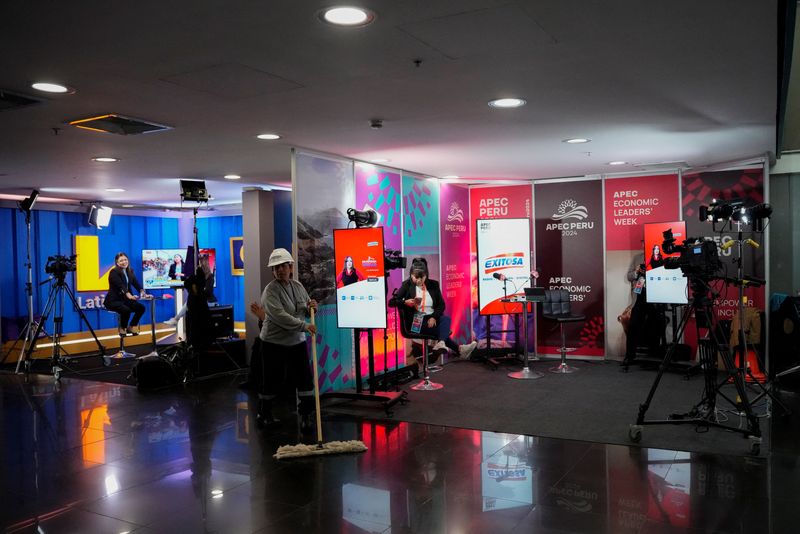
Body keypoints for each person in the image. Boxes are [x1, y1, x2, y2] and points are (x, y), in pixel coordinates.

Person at [248, 248, 317, 430]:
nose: (280, 270)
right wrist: (305, 326)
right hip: (273, 343)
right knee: (271, 379)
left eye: (283, 266)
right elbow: (280, 316)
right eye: (276, 267)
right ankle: (264, 414)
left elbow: (305, 308)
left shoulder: (298, 287)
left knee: (304, 379)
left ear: (290, 267)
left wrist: (312, 307)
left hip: (297, 342)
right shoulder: (270, 291)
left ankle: (306, 416)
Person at [395, 258, 477, 362]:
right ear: (411, 273)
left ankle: (444, 344)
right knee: (443, 330)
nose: (419, 280)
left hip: (431, 318)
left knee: (445, 319)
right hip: (416, 321)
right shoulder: (407, 285)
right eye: (416, 276)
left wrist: (433, 317)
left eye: (422, 276)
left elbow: (441, 305)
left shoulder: (433, 284)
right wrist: (405, 302)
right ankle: (459, 349)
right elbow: (393, 302)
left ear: (426, 273)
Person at [165, 255, 217, 326]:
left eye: (200, 265)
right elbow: (191, 287)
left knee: (191, 300)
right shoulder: (196, 277)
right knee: (191, 299)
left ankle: (176, 319)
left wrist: (197, 292)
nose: (198, 267)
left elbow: (207, 292)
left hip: (208, 301)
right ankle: (176, 319)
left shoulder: (210, 277)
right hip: (199, 300)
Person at [104, 252, 147, 335]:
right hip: (114, 300)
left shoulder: (130, 270)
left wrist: (143, 292)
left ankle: (131, 327)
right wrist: (128, 294)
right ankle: (122, 327)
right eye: (121, 261)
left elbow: (136, 283)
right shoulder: (114, 272)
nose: (124, 262)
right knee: (126, 310)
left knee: (141, 308)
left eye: (125, 260)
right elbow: (120, 285)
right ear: (117, 263)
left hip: (126, 300)